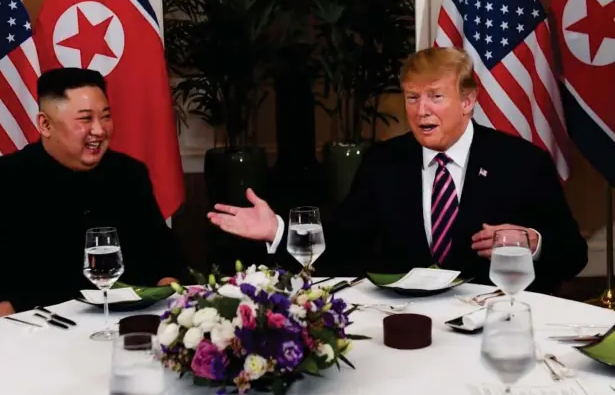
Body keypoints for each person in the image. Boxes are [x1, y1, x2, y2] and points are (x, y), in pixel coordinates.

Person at [208, 47, 587, 294]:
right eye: (412, 97)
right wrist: (277, 231)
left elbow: (573, 254)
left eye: (436, 96)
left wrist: (532, 243)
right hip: (407, 324)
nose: (421, 110)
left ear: (468, 100)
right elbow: (341, 249)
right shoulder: (384, 162)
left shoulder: (520, 162)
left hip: (491, 324)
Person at [0, 67, 187, 317]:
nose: (99, 130)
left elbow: (162, 249)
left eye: (106, 116)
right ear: (45, 124)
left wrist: (168, 281)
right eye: (85, 119)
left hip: (123, 322)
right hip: (30, 331)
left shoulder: (129, 174)